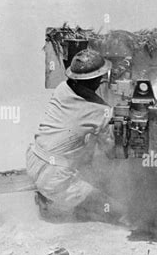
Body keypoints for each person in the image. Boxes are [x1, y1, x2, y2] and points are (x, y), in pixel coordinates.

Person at [26, 48, 124, 222]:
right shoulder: (101, 111)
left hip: (33, 160)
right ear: (97, 80)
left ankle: (47, 194)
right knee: (119, 211)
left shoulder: (62, 89)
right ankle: (56, 198)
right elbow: (111, 152)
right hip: (56, 178)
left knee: (81, 147)